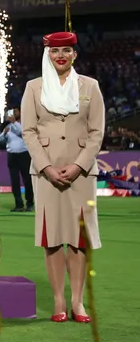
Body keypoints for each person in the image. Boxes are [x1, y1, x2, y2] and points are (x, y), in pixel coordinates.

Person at [20, 31, 105, 323]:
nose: (61, 55)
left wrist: (80, 165)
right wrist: (46, 167)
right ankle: (58, 301)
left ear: (75, 55)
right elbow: (28, 131)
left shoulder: (90, 87)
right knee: (53, 238)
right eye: (56, 51)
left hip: (82, 174)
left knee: (78, 239)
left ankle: (77, 303)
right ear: (48, 54)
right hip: (46, 174)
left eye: (67, 50)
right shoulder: (33, 88)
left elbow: (97, 133)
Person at [4, 108, 33, 212]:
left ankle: (30, 203)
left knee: (27, 180)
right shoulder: (8, 127)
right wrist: (3, 134)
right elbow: (0, 140)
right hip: (12, 156)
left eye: (15, 112)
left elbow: (22, 134)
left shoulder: (25, 125)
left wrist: (14, 123)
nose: (13, 114)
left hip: (24, 155)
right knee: (14, 181)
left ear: (20, 114)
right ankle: (19, 204)